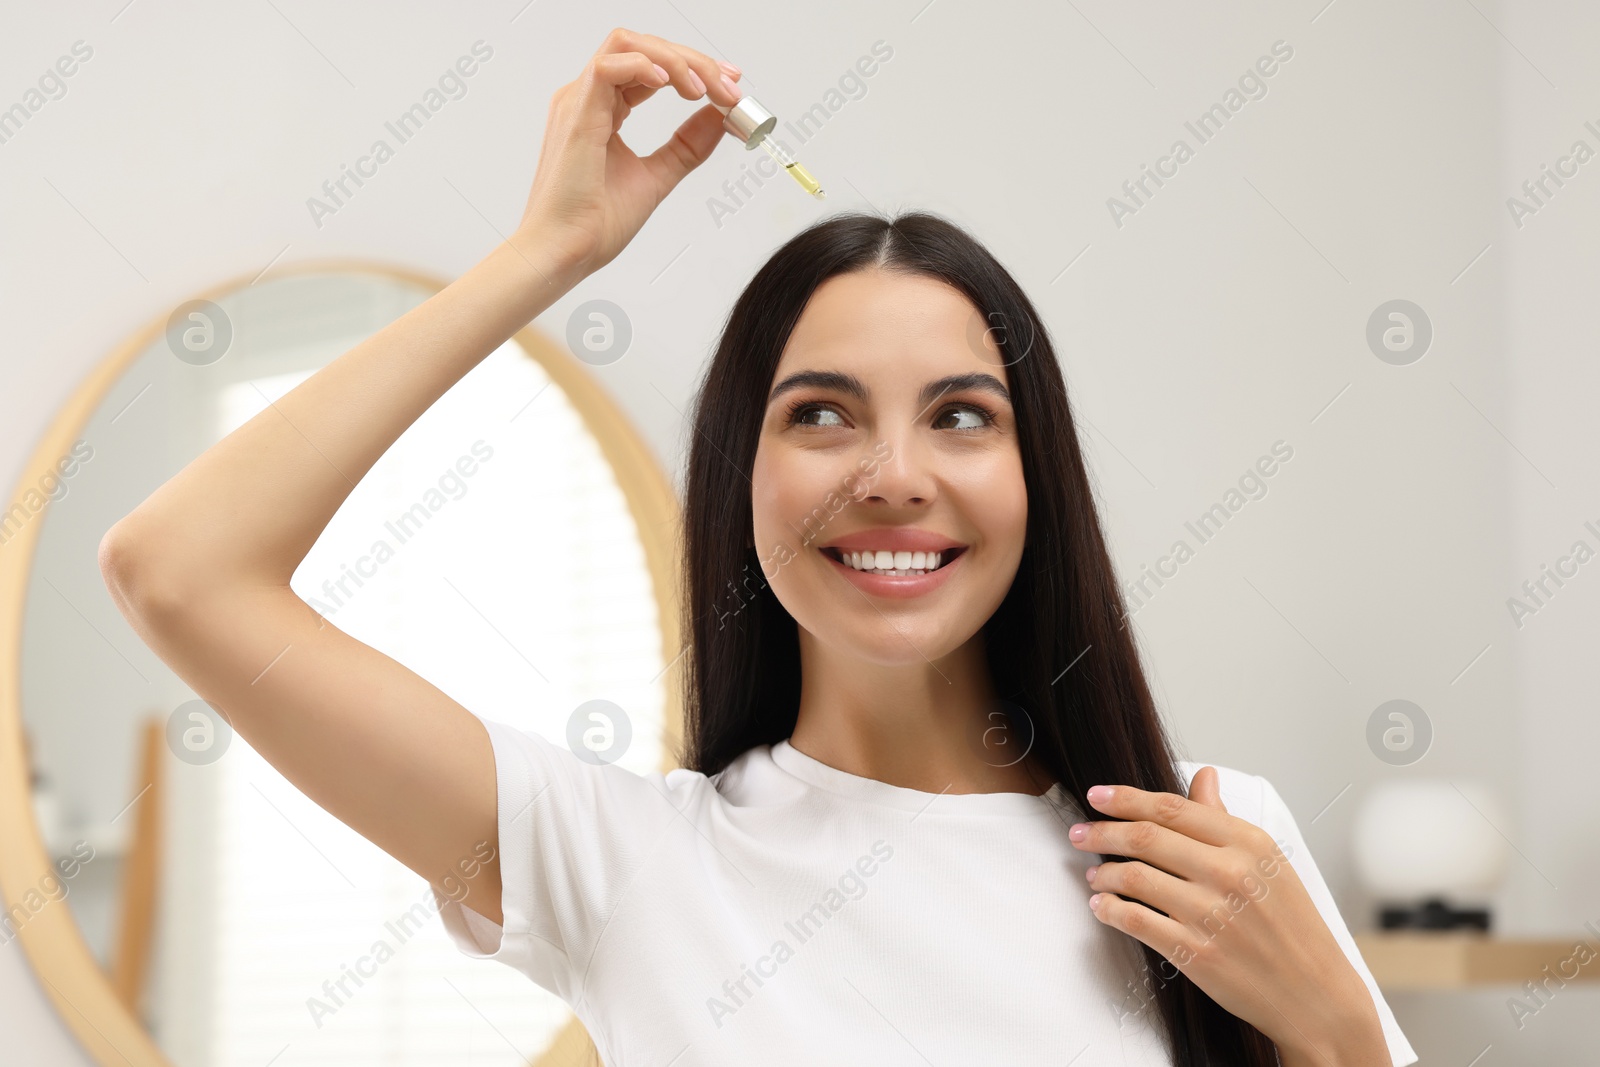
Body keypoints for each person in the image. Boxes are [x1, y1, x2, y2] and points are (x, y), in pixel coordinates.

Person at [100, 26, 1417, 1067]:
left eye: (962, 415)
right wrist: (547, 252)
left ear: (1038, 477)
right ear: (740, 475)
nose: (894, 477)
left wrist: (1345, 1040)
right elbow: (178, 569)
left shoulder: (1205, 840)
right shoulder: (621, 862)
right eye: (822, 414)